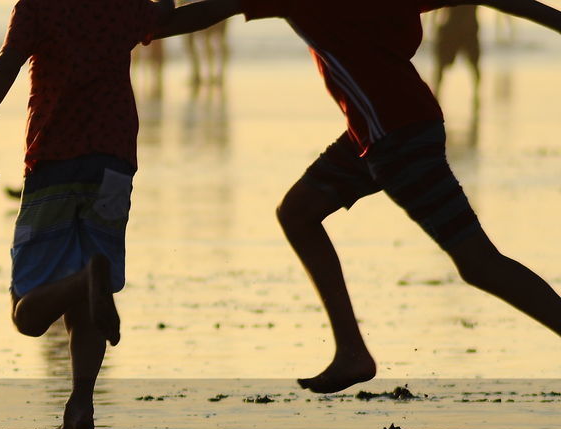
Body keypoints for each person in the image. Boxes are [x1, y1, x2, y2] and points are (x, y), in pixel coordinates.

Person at [163, 0, 561, 393]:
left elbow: (210, 10)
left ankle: (352, 351)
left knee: (477, 262)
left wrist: (140, 29)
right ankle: (351, 350)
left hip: (395, 137)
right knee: (298, 211)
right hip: (390, 128)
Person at [0, 0, 174, 429]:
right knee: (85, 307)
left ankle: (85, 280)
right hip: (115, 161)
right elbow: (172, 17)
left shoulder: (40, 4)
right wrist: (240, 6)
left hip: (55, 159)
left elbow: (9, 61)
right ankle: (80, 407)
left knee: (27, 314)